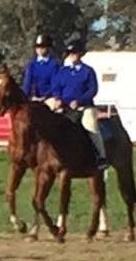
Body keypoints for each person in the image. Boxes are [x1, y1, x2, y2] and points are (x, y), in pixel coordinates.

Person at [50, 40, 107, 171]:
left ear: (81, 54)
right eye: (70, 53)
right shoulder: (62, 71)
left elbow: (93, 89)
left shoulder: (88, 71)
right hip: (64, 107)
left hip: (85, 107)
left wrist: (79, 101)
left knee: (90, 126)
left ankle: (101, 156)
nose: (72, 56)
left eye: (75, 53)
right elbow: (56, 88)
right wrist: (59, 99)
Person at [22, 34, 60, 102]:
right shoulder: (32, 64)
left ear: (48, 48)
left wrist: (45, 97)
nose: (39, 49)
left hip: (49, 98)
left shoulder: (54, 65)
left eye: (42, 47)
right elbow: (27, 83)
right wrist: (27, 96)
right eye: (37, 47)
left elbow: (55, 85)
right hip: (32, 98)